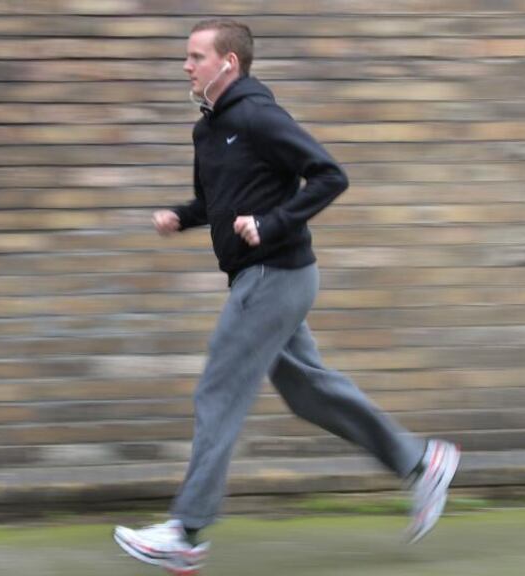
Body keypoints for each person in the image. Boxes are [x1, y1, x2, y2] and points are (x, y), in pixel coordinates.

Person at [113, 18, 460, 575]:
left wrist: (273, 223)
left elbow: (329, 175)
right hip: (265, 277)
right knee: (308, 391)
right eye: (186, 56)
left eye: (196, 56)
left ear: (229, 63)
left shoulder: (257, 116)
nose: (186, 65)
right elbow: (216, 203)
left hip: (275, 273)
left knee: (217, 393)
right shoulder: (208, 131)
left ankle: (188, 533)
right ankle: (420, 462)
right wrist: (181, 216)